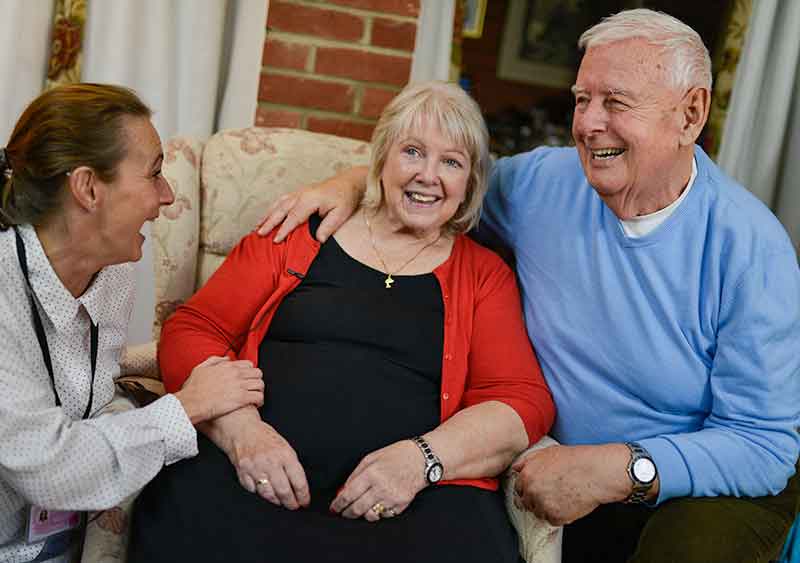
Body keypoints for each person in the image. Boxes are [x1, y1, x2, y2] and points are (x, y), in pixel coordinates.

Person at [257, 9, 800, 563]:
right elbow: (437, 181)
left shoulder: (752, 248)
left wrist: (620, 468)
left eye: (615, 102)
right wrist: (350, 183)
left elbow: (763, 444)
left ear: (691, 113)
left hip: (707, 480)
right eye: (582, 99)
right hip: (551, 462)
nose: (588, 123)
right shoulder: (546, 183)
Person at [128, 81, 554, 563]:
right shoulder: (299, 233)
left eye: (451, 162)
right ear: (382, 160)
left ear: (470, 183)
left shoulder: (483, 275)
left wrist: (421, 460)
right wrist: (243, 433)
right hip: (255, 477)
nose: (428, 176)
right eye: (412, 152)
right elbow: (194, 327)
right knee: (181, 507)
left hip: (410, 506)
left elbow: (521, 399)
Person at [0, 83, 265, 563]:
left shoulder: (113, 269)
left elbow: (78, 382)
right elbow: (51, 467)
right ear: (87, 188)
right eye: (154, 173)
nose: (166, 196)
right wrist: (188, 406)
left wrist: (156, 360)